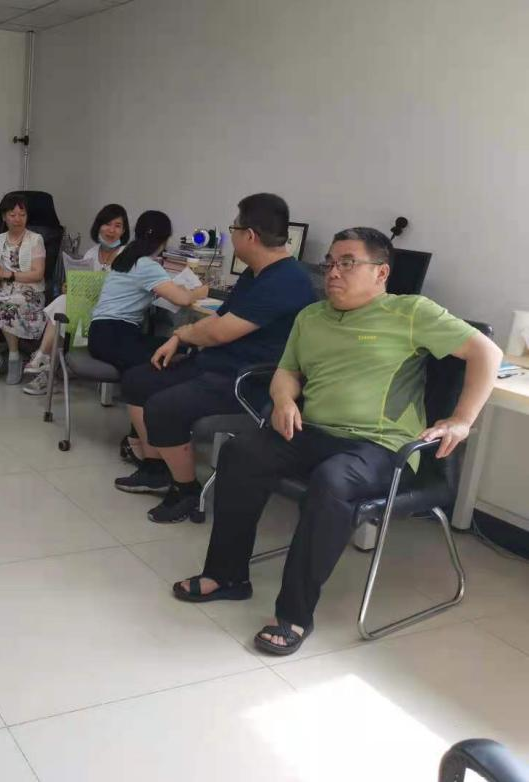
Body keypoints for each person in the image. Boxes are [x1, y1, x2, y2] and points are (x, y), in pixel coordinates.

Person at [173, 226, 502, 655]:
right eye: (330, 262)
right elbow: (287, 371)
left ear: (381, 272)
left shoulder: (411, 312)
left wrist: (461, 419)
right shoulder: (312, 317)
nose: (333, 272)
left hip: (381, 447)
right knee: (241, 451)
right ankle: (227, 575)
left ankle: (294, 614)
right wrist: (283, 399)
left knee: (332, 480)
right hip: (312, 431)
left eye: (348, 263)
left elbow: (487, 353)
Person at [115, 193, 318, 523]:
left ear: (249, 235)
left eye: (234, 228)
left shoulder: (286, 280)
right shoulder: (255, 273)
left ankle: (185, 490)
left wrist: (182, 335)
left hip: (249, 379)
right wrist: (179, 338)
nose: (232, 235)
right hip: (217, 364)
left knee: (164, 407)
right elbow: (220, 318)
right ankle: (156, 469)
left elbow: (219, 332)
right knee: (138, 380)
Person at [22, 204, 130, 396]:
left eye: (118, 226)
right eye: (107, 224)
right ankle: (46, 366)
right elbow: (83, 283)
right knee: (64, 306)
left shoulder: (127, 255)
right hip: (86, 308)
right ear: (98, 226)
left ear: (124, 230)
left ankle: (43, 361)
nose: (111, 230)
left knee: (63, 308)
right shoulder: (92, 253)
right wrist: (71, 286)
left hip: (111, 312)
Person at [86, 210, 209, 373]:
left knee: (176, 348)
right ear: (164, 240)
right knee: (171, 359)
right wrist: (200, 292)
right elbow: (183, 299)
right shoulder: (147, 265)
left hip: (99, 334)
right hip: (115, 337)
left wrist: (176, 289)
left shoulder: (127, 257)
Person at [0, 193, 46, 385]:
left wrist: (9, 274)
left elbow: (38, 274)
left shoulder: (35, 239)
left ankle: (14, 357)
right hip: (1, 291)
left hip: (29, 293)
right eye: (12, 215)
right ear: (4, 217)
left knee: (7, 304)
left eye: (22, 214)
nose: (18, 219)